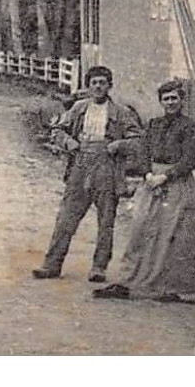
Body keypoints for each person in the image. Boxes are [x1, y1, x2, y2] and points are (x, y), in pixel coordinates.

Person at [94, 79, 195, 303]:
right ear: (160, 102)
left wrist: (165, 177)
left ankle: (171, 287)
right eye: (166, 99)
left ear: (182, 100)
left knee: (173, 232)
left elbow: (189, 159)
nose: (170, 102)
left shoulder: (191, 127)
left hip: (177, 182)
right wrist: (147, 174)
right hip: (151, 180)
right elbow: (143, 153)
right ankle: (129, 281)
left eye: (174, 98)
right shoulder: (154, 124)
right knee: (140, 228)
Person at [31, 66, 143, 283]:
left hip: (107, 169)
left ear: (109, 85)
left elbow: (138, 140)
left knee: (106, 221)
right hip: (80, 166)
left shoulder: (121, 112)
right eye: (94, 83)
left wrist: (119, 144)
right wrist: (68, 141)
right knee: (66, 218)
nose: (98, 86)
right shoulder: (78, 108)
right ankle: (52, 264)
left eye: (102, 82)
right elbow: (57, 130)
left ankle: (99, 267)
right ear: (89, 86)